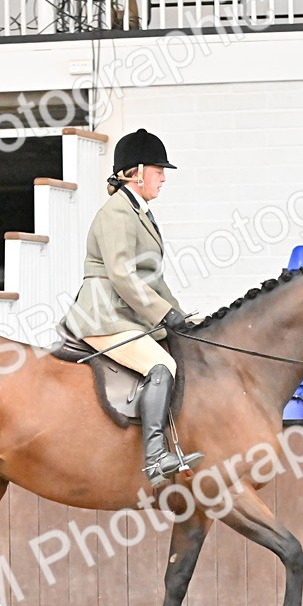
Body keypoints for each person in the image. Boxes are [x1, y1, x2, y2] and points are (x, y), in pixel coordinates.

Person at [63, 128, 204, 487]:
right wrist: (162, 314)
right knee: (161, 363)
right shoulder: (118, 213)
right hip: (104, 315)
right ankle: (155, 457)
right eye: (159, 171)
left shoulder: (139, 212)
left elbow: (153, 279)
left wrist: (179, 315)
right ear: (138, 171)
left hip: (127, 314)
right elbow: (123, 276)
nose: (163, 179)